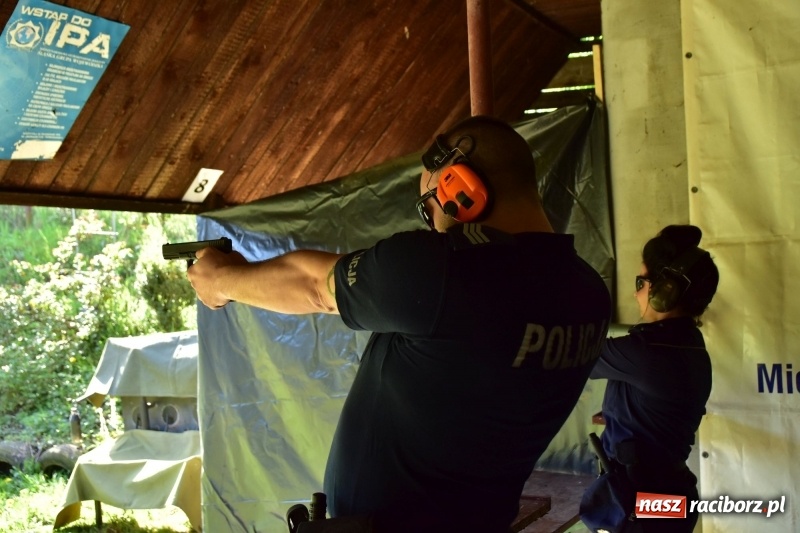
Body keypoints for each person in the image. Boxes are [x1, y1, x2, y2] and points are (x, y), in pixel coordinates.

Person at [187, 115, 612, 533]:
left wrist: (220, 280)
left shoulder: (448, 271)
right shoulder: (589, 294)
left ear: (460, 191)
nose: (433, 224)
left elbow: (314, 285)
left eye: (429, 208)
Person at [584, 224, 719, 533]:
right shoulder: (687, 345)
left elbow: (577, 358)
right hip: (666, 493)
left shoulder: (650, 352)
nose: (636, 292)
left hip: (643, 500)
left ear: (664, 291)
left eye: (641, 281)